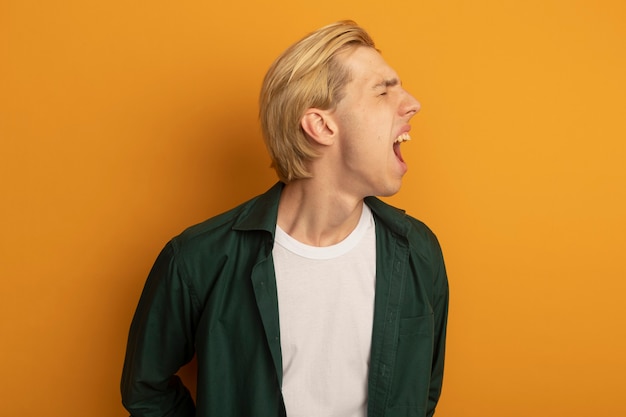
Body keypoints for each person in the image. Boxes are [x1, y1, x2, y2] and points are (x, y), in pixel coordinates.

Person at [121, 20, 449, 417]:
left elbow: (423, 393)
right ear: (322, 125)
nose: (411, 102)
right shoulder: (197, 260)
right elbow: (146, 389)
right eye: (383, 90)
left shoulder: (418, 251)